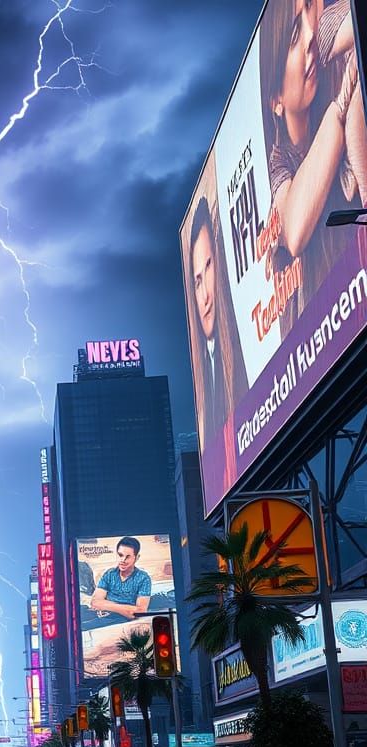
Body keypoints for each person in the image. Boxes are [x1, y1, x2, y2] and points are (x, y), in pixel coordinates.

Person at [260, 0, 367, 328]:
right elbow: (294, 229)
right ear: (276, 100)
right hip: (329, 326)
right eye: (293, 37)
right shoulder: (279, 160)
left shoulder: (316, 46)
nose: (308, 38)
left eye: (309, 11)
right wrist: (340, 107)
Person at [187, 195, 248, 451]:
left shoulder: (243, 352)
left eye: (208, 266)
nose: (205, 297)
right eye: (197, 281)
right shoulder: (202, 396)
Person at [89, 537, 152, 622]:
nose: (123, 560)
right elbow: (95, 602)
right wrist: (126, 609)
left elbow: (140, 612)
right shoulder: (109, 574)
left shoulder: (144, 578)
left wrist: (106, 605)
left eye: (128, 557)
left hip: (125, 621)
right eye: (120, 555)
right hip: (103, 617)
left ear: (136, 558)